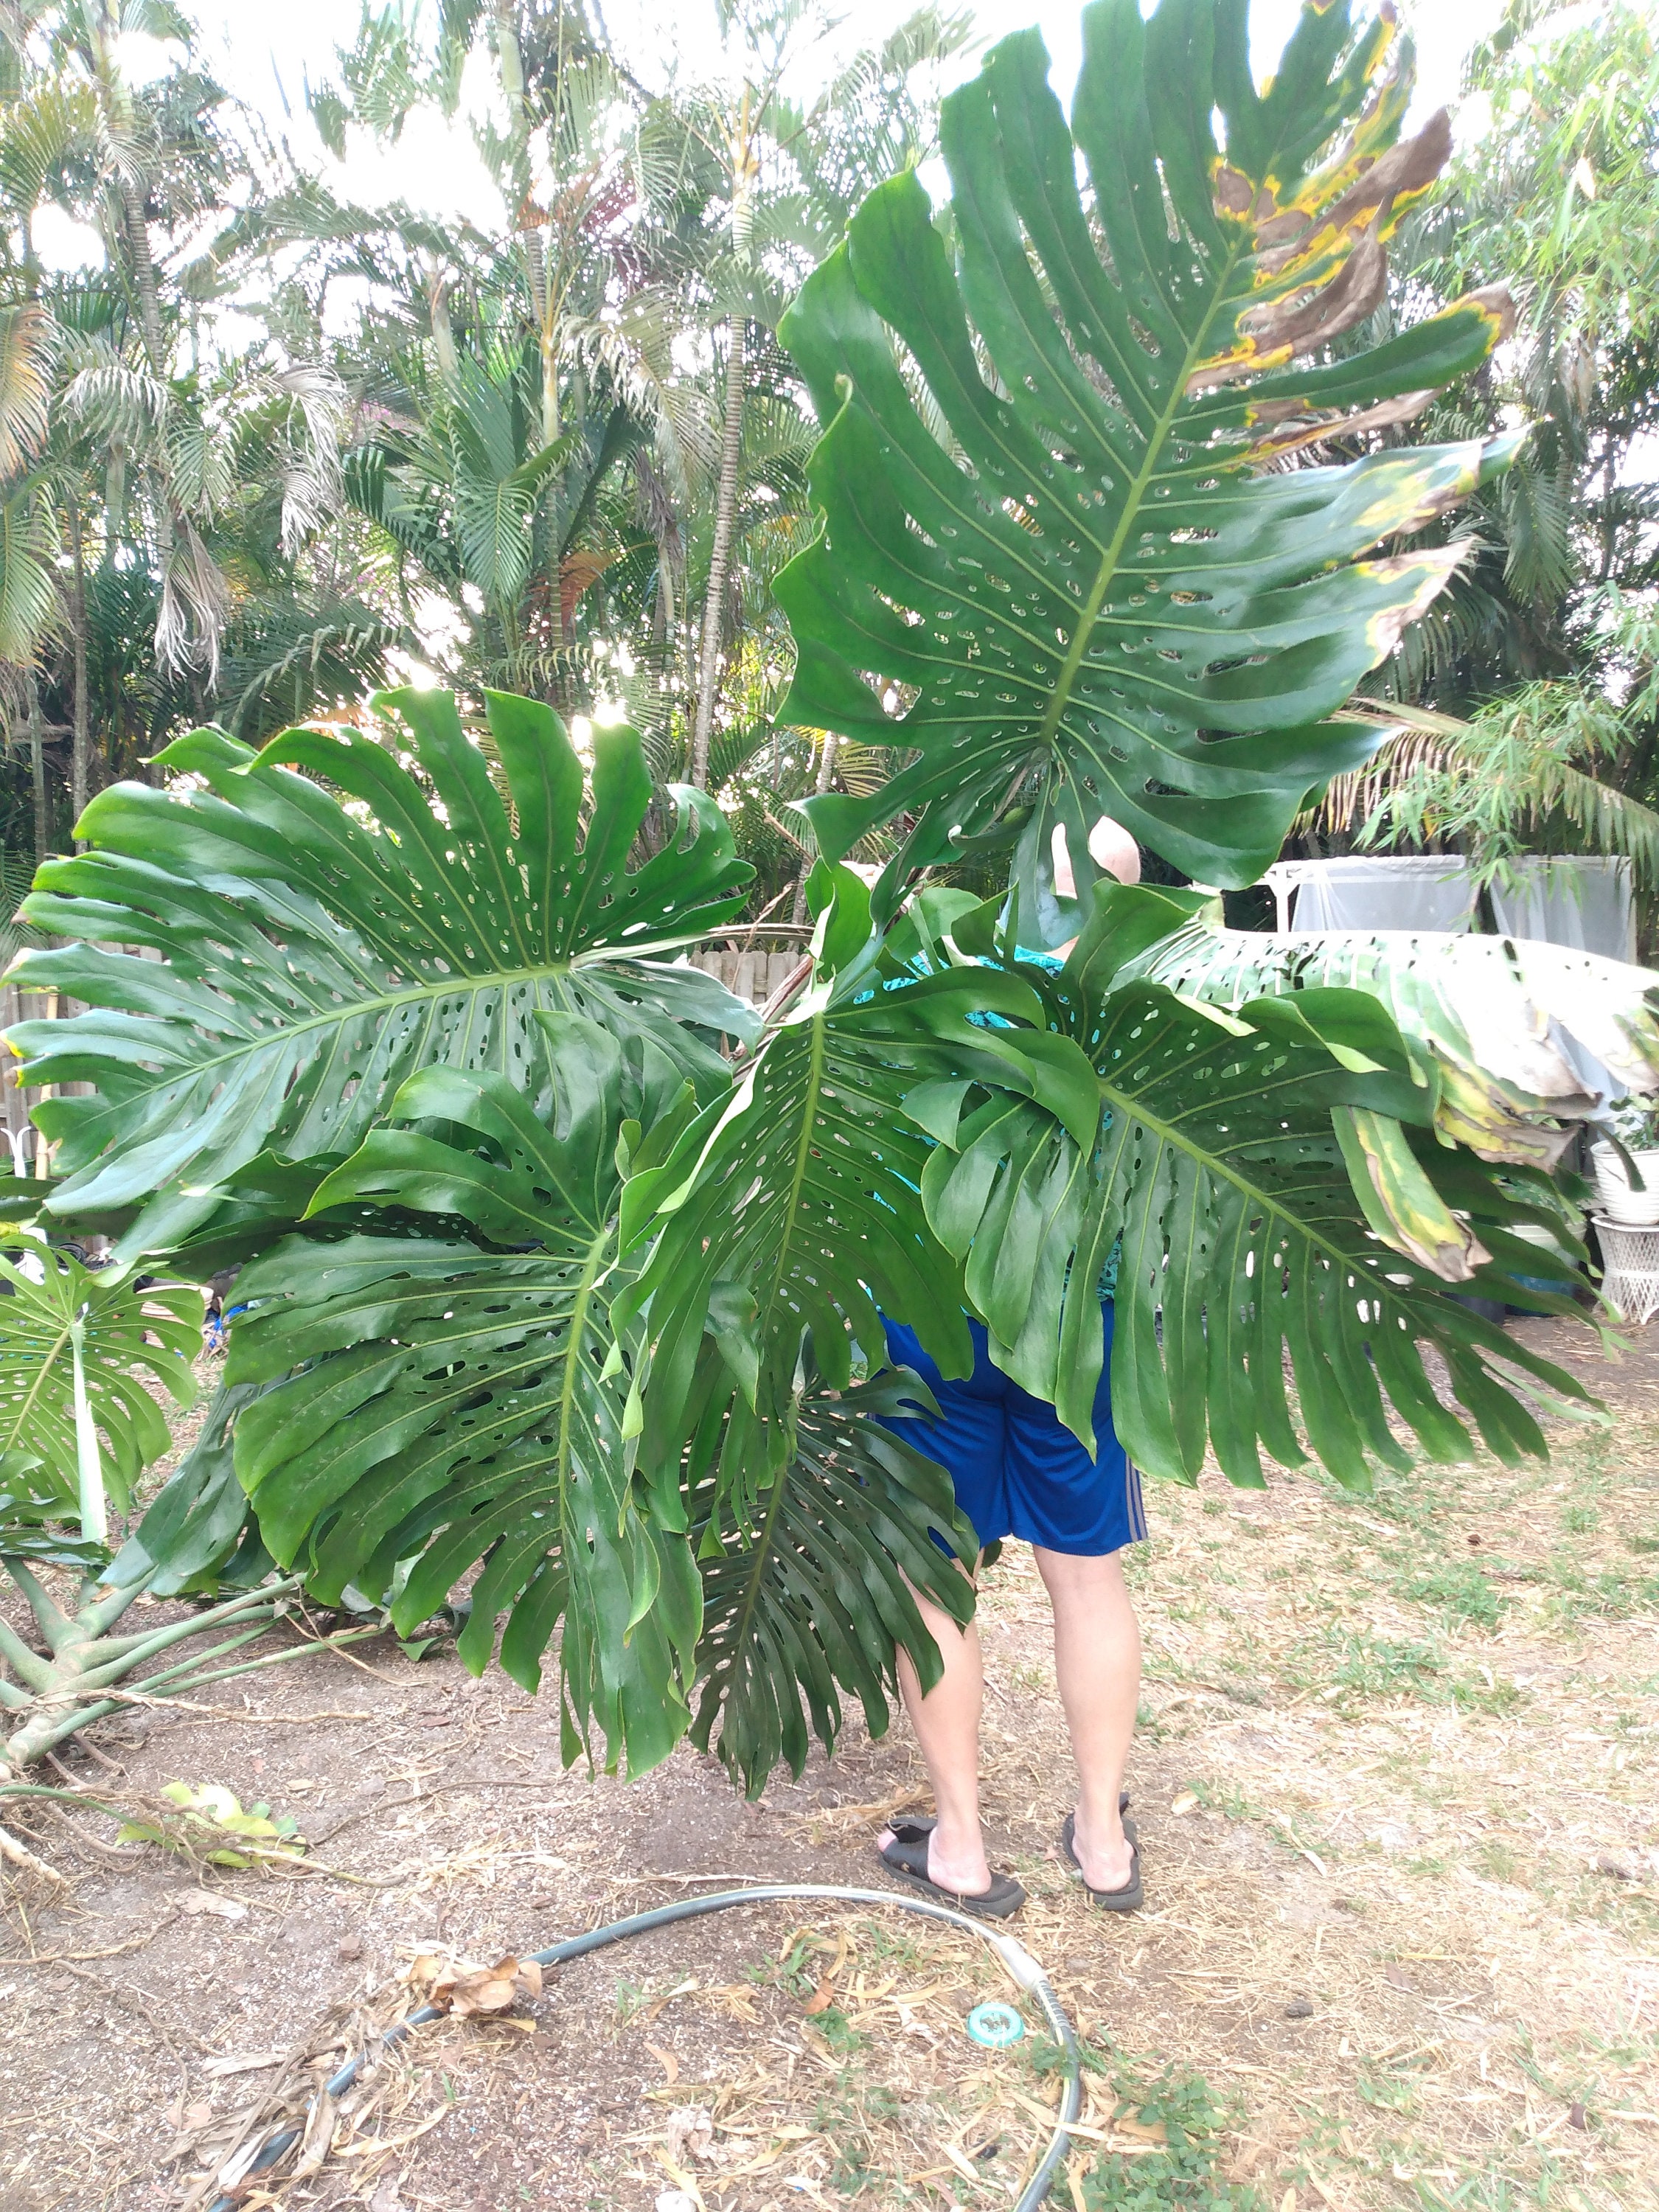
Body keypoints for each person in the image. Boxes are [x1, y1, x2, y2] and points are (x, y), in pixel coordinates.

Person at [877, 815, 1146, 1920]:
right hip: (1073, 1305)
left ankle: (964, 1847)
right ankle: (1100, 1838)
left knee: (934, 1575)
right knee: (1084, 1575)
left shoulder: (912, 962)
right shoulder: (1136, 989)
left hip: (932, 1300)